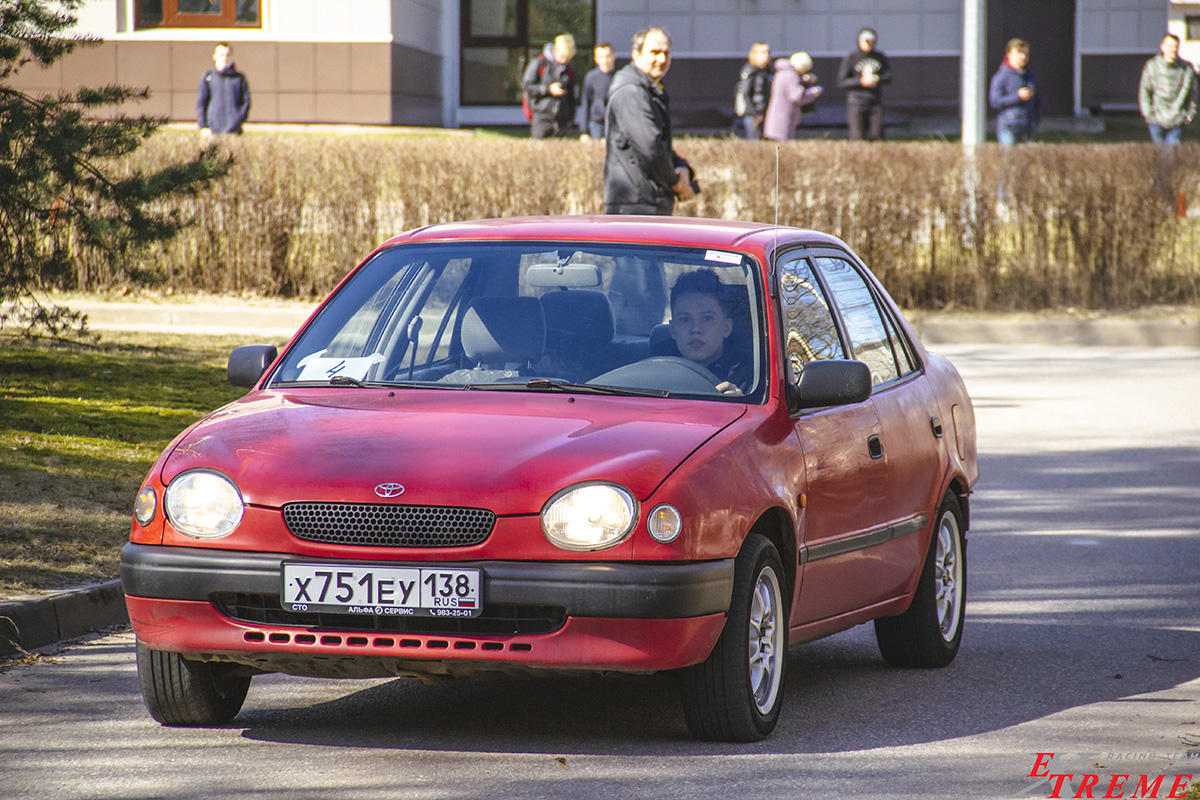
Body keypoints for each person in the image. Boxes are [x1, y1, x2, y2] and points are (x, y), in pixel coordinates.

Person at [603, 27, 697, 216]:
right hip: (636, 207)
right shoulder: (632, 93)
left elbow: (658, 144)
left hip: (643, 201)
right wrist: (676, 182)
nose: (662, 59)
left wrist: (684, 169)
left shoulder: (645, 90)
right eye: (655, 52)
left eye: (666, 53)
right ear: (636, 56)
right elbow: (650, 149)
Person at [668, 269, 750, 395]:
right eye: (685, 319)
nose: (695, 329)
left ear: (726, 328)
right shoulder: (651, 373)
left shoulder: (754, 379)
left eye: (707, 318)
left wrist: (741, 404)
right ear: (672, 330)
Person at [1138, 34, 1198, 145]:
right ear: (1162, 47)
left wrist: (1189, 117)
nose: (1173, 49)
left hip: (1178, 121)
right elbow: (1144, 91)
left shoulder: (1186, 68)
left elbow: (1194, 94)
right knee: (1159, 156)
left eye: (1176, 46)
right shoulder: (1152, 66)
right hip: (1156, 121)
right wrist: (1148, 115)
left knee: (1171, 156)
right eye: (1170, 46)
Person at [837, 27, 892, 141]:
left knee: (877, 136)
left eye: (871, 42)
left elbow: (889, 77)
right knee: (857, 137)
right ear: (859, 41)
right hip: (856, 101)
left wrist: (877, 79)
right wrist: (860, 82)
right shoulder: (851, 58)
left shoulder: (880, 57)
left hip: (875, 101)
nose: (869, 44)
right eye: (866, 42)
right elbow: (842, 81)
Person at [521, 33, 579, 139]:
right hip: (542, 114)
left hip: (562, 117)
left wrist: (570, 118)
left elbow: (572, 96)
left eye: (568, 58)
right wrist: (548, 89)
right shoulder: (539, 63)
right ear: (555, 50)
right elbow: (526, 85)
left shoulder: (569, 70)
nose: (564, 61)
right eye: (562, 57)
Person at [989, 38, 1041, 145]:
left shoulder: (1031, 77)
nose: (1023, 57)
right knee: (1009, 160)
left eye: (1026, 54)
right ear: (1009, 55)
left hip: (1028, 130)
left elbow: (1038, 102)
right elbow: (995, 101)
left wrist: (1035, 122)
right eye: (1019, 53)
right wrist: (1017, 97)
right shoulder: (1001, 77)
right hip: (1009, 129)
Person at [763, 52, 822, 141]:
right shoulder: (792, 75)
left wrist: (803, 81)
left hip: (775, 118)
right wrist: (812, 94)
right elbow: (796, 96)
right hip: (784, 120)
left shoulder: (781, 72)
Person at [196, 42, 250, 140]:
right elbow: (201, 103)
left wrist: (238, 121)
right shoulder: (208, 77)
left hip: (234, 133)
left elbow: (246, 102)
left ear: (232, 57)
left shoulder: (239, 78)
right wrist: (203, 126)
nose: (224, 58)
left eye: (227, 55)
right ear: (214, 56)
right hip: (213, 132)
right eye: (221, 55)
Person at [734, 42, 773, 140]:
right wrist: (755, 113)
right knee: (754, 143)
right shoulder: (751, 71)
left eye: (768, 52)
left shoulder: (766, 71)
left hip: (764, 112)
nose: (766, 56)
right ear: (755, 54)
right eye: (762, 53)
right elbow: (746, 93)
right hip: (754, 114)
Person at [579, 42, 616, 141]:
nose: (605, 60)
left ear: (614, 56)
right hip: (597, 124)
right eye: (602, 57)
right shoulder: (591, 77)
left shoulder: (620, 77)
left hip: (616, 124)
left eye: (608, 56)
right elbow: (586, 102)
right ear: (596, 59)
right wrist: (584, 131)